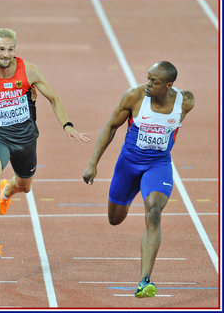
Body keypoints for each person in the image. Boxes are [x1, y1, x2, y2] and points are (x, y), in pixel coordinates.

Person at [0, 28, 90, 261]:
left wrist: (68, 126)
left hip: (25, 138)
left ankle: (7, 192)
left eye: (10, 49)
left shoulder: (30, 71)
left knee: (24, 187)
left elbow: (54, 98)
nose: (6, 54)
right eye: (1, 49)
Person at [82, 61, 194, 298]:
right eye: (148, 78)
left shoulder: (185, 101)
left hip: (158, 165)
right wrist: (93, 163)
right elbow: (111, 126)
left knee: (153, 210)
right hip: (128, 165)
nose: (148, 84)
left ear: (168, 85)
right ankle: (131, 196)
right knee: (115, 219)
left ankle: (144, 280)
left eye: (154, 81)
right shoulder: (134, 97)